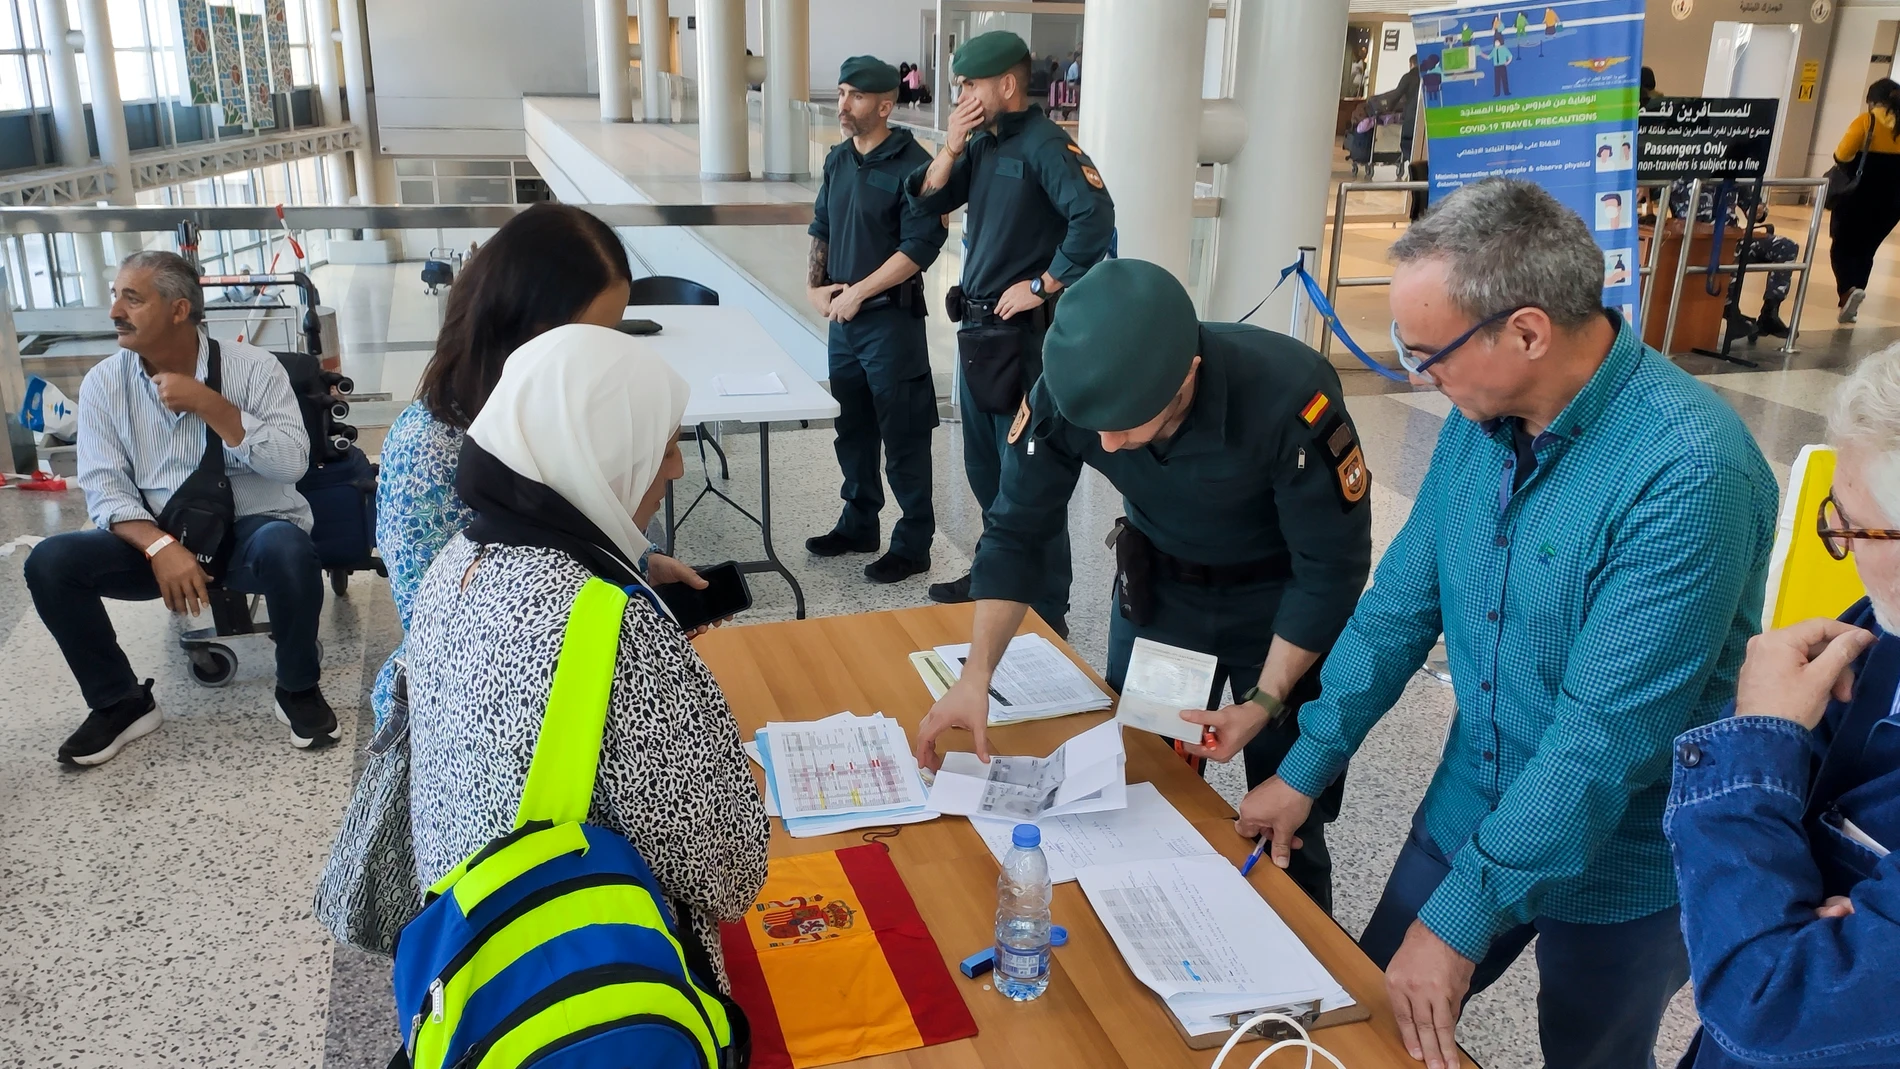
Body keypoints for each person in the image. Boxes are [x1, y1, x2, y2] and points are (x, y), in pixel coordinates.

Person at [1240, 178, 1779, 1069]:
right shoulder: (1481, 417)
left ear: (1527, 331)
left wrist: (1456, 919)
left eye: (1429, 353)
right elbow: (1395, 614)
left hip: (1625, 862)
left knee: (1590, 1051)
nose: (1420, 377)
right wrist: (1305, 766)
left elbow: (1598, 745)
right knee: (1372, 1018)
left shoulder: (1689, 474)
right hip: (1471, 803)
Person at [912, 259, 1373, 910]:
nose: (1107, 441)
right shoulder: (1073, 389)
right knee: (1139, 790)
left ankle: (1306, 966)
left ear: (1187, 374)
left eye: (1128, 423)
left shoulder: (1290, 395)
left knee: (1284, 822)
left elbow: (1332, 568)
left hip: (1282, 615)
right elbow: (1017, 532)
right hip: (1166, 608)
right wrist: (975, 675)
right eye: (1095, 425)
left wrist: (1265, 700)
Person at [405, 323, 769, 989]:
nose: (676, 469)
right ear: (595, 453)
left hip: (471, 963)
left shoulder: (452, 566)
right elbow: (728, 872)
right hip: (593, 988)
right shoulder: (613, 629)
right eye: (661, 446)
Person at [371, 203, 714, 729]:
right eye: (593, 335)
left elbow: (565, 541)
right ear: (528, 329)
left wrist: (637, 570)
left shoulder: (559, 414)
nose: (605, 355)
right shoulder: (427, 449)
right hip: (471, 719)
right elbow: (451, 633)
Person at [1664, 347, 1900, 1069]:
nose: (1845, 550)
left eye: (1857, 529)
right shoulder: (1881, 628)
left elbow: (1768, 997)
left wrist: (1753, 742)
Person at [26, 250, 334, 764]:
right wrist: (160, 545)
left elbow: (291, 466)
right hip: (159, 539)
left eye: (133, 298)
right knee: (50, 563)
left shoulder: (254, 370)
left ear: (178, 310)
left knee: (288, 547)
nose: (115, 312)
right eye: (115, 296)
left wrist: (212, 405)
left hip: (248, 533)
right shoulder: (106, 383)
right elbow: (104, 487)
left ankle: (297, 688)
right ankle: (120, 701)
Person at [905, 29, 1116, 637]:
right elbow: (924, 205)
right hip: (979, 337)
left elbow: (1095, 217)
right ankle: (993, 575)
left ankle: (1050, 612)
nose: (962, 95)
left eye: (970, 85)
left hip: (1024, 340)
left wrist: (1045, 284)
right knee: (984, 471)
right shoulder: (983, 145)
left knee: (1031, 477)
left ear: (1006, 84)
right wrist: (948, 147)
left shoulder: (1049, 145)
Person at [803, 56, 949, 583]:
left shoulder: (918, 165)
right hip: (844, 321)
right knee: (853, 429)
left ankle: (913, 545)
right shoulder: (838, 159)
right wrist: (815, 288)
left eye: (855, 97)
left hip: (890, 321)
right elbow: (821, 224)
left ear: (885, 105)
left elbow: (921, 246)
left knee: (904, 434)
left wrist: (860, 292)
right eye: (841, 93)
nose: (843, 105)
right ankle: (859, 522)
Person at [1828, 79, 1900, 324]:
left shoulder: (1866, 121)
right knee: (1866, 250)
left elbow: (1842, 154)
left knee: (1841, 246)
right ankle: (1854, 297)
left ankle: (1848, 291)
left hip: (1858, 195)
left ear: (1872, 100)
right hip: (1893, 201)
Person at [1489, 31, 1512, 97]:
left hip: (1502, 65)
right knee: (1497, 80)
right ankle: (1497, 93)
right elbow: (1489, 57)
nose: (1496, 43)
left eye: (1497, 41)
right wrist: (1481, 54)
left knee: (1504, 79)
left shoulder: (1503, 48)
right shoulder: (1494, 50)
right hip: (1496, 66)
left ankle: (1506, 92)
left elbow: (1510, 56)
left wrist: (1507, 62)